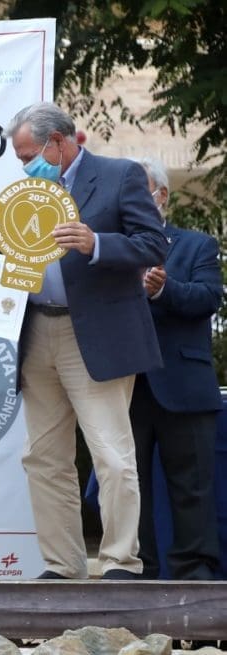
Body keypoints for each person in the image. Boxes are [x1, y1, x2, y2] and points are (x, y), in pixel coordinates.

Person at [0, 102, 167, 580]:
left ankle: (120, 562)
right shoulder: (26, 193)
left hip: (95, 334)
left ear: (58, 142)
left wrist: (96, 243)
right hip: (36, 329)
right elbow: (25, 256)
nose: (24, 166)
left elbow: (153, 243)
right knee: (43, 457)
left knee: (112, 455)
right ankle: (62, 566)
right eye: (20, 159)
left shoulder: (119, 176)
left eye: (28, 155)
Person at [130, 156, 222, 580]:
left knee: (192, 486)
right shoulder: (111, 246)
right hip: (125, 383)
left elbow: (208, 298)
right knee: (128, 487)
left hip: (183, 383)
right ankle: (135, 571)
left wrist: (164, 289)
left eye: (138, 191)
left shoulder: (196, 245)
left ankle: (196, 574)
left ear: (161, 195)